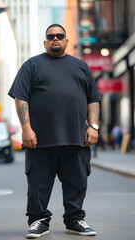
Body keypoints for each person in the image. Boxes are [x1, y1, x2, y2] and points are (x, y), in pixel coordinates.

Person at [8, 24, 101, 238]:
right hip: (39, 140)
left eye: (60, 36)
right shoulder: (31, 65)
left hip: (76, 138)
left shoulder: (81, 67)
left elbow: (93, 98)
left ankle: (75, 220)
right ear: (45, 42)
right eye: (51, 36)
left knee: (77, 182)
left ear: (67, 40)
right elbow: (21, 97)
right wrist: (26, 129)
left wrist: (94, 127)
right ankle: (39, 221)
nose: (55, 39)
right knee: (38, 185)